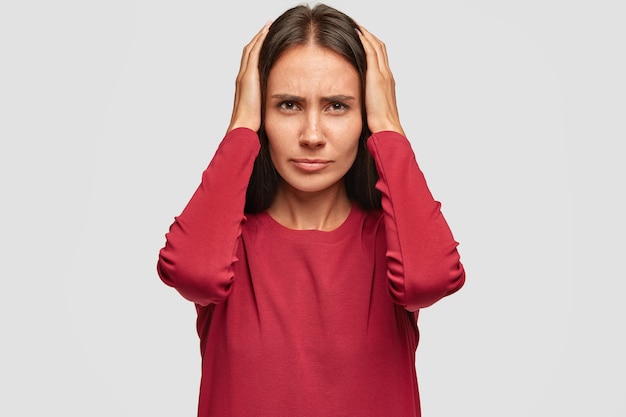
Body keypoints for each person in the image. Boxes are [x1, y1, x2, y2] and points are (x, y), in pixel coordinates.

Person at [157, 3, 465, 416]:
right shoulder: (229, 243)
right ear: (261, 113)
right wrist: (240, 125)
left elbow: (429, 280)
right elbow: (190, 272)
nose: (312, 135)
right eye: (288, 105)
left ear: (366, 117)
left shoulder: (391, 243)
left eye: (337, 105)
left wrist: (390, 126)